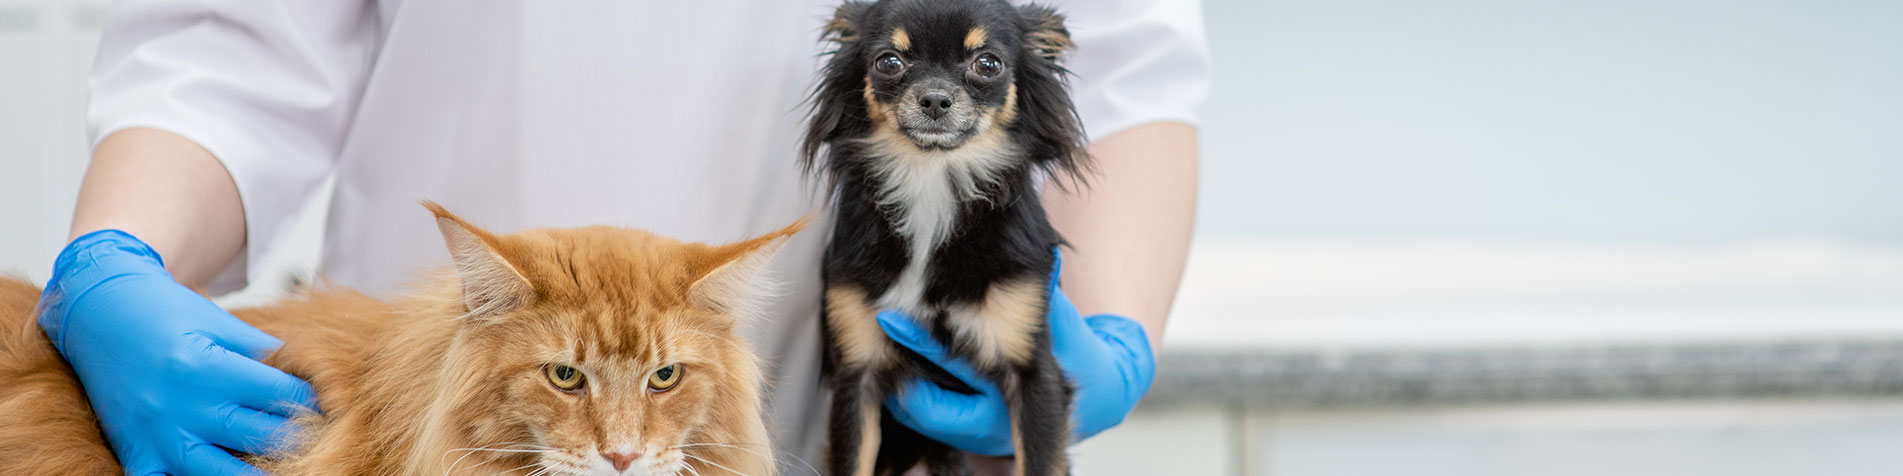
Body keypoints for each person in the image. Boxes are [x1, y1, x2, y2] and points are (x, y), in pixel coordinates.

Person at [43, 0, 1207, 474]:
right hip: (427, 419)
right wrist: (116, 257)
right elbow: (231, 50)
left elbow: (1114, 65)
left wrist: (1107, 331)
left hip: (810, 428)